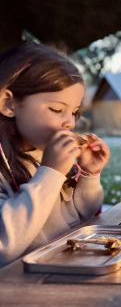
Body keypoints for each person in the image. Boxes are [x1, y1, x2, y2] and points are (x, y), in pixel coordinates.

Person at [0, 42, 110, 267]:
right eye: (57, 110)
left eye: (74, 112)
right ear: (8, 103)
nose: (69, 122)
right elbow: (5, 245)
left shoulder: (43, 153)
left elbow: (79, 220)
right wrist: (50, 172)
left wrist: (88, 175)